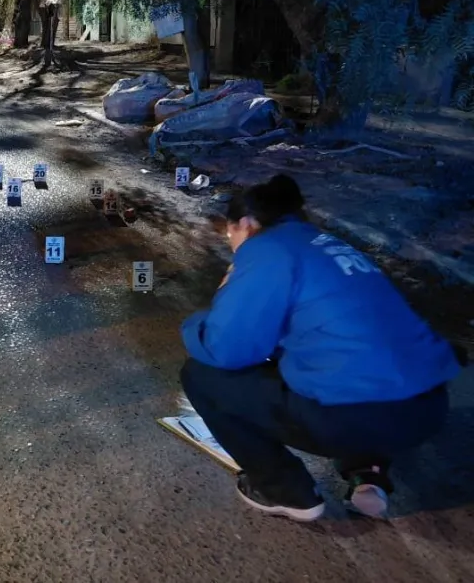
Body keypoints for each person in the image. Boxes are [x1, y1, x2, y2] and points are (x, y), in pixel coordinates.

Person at [179, 174, 462, 522]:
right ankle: (367, 474)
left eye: (230, 233)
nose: (231, 243)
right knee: (340, 364)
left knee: (201, 376)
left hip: (354, 417)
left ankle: (284, 490)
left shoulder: (267, 250)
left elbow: (225, 349)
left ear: (247, 224)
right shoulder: (331, 246)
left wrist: (196, 322)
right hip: (427, 408)